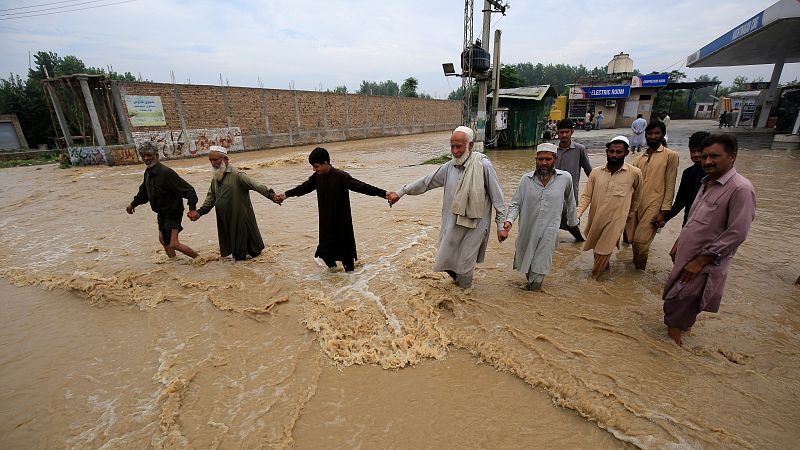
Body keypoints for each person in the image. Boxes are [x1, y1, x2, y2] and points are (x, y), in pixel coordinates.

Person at [663, 134, 756, 345]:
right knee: (681, 305)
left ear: (732, 157)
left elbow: (737, 233)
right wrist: (679, 242)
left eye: (714, 156)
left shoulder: (741, 189)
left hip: (703, 264)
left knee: (677, 305)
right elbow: (694, 219)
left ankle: (669, 357)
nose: (707, 161)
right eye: (704, 156)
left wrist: (700, 261)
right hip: (687, 258)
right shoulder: (706, 183)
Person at [387, 126, 507, 288]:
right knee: (444, 261)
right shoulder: (450, 167)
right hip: (451, 226)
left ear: (470, 146)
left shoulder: (483, 165)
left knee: (465, 266)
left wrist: (501, 226)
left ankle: (463, 302)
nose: (455, 151)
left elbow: (498, 198)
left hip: (474, 228)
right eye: (452, 147)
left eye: (459, 147)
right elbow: (426, 182)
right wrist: (401, 192)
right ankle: (459, 289)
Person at [275, 147, 393, 272]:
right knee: (324, 253)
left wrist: (384, 194)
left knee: (346, 257)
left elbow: (362, 187)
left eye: (316, 166)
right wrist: (286, 194)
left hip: (342, 223)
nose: (314, 170)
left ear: (326, 163)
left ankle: (352, 283)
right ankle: (335, 277)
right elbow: (302, 188)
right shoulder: (317, 177)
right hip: (326, 224)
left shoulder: (341, 176)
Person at [505, 143, 577, 291]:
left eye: (548, 159)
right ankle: (530, 293)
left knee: (539, 268)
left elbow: (571, 201)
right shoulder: (526, 180)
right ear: (536, 159)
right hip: (527, 230)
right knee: (528, 265)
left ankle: (531, 300)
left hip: (550, 232)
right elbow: (515, 204)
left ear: (555, 159)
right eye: (541, 159)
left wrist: (572, 221)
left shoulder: (565, 178)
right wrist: (509, 221)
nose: (544, 163)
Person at [188, 146, 280, 261]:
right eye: (210, 160)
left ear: (225, 159)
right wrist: (199, 212)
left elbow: (256, 185)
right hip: (225, 221)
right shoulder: (216, 177)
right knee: (237, 251)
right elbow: (211, 198)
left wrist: (272, 196)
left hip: (240, 219)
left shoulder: (237, 175)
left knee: (246, 252)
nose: (213, 163)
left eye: (215, 160)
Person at [577, 136, 642, 279]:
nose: (614, 155)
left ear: (626, 153)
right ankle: (604, 275)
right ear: (607, 152)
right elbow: (587, 195)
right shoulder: (596, 172)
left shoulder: (635, 173)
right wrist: (578, 213)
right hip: (596, 219)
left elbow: (637, 197)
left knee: (603, 251)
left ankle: (593, 284)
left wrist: (629, 215)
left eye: (618, 152)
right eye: (611, 151)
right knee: (598, 251)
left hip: (616, 220)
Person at [127, 142, 199, 259]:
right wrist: (133, 204)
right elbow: (143, 193)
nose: (146, 158)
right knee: (162, 240)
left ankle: (200, 259)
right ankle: (174, 262)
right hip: (162, 213)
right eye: (143, 156)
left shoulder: (166, 173)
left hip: (173, 211)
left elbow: (189, 190)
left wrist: (192, 209)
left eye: (149, 155)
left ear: (156, 156)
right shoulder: (148, 173)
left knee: (173, 243)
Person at [625, 122, 679, 270]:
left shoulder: (671, 156)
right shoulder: (639, 158)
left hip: (654, 204)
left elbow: (670, 184)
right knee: (632, 239)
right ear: (645, 135)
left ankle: (639, 272)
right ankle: (635, 270)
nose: (653, 136)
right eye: (650, 134)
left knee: (641, 241)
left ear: (662, 135)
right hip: (636, 204)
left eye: (656, 133)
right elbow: (631, 184)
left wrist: (664, 211)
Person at [554, 119, 591, 242]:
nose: (564, 135)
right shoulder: (553, 150)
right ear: (557, 133)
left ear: (572, 132)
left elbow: (589, 171)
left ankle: (580, 242)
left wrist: (595, 189)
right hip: (553, 193)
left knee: (572, 221)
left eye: (567, 132)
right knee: (551, 220)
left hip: (570, 193)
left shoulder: (579, 149)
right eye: (561, 132)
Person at [663, 131, 710, 227]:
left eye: (699, 151)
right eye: (693, 151)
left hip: (709, 226)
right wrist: (664, 218)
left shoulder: (717, 175)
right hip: (689, 223)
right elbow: (680, 201)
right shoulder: (688, 173)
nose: (696, 155)